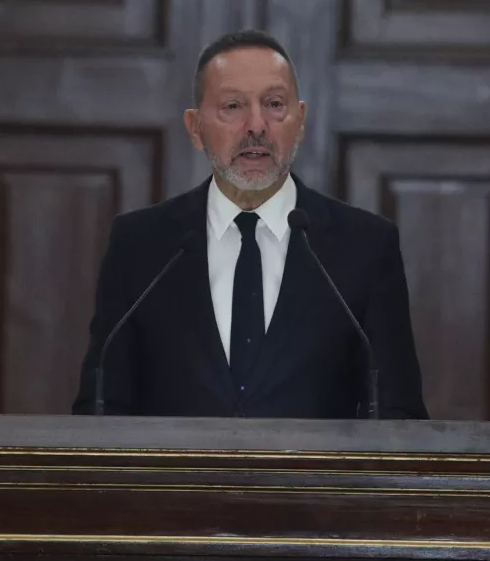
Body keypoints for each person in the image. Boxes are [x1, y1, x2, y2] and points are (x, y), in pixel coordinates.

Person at [72, 29, 429, 420]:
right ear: (195, 128)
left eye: (274, 104)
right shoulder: (140, 245)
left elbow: (397, 414)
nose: (256, 126)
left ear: (300, 120)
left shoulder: (366, 247)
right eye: (233, 106)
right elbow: (102, 405)